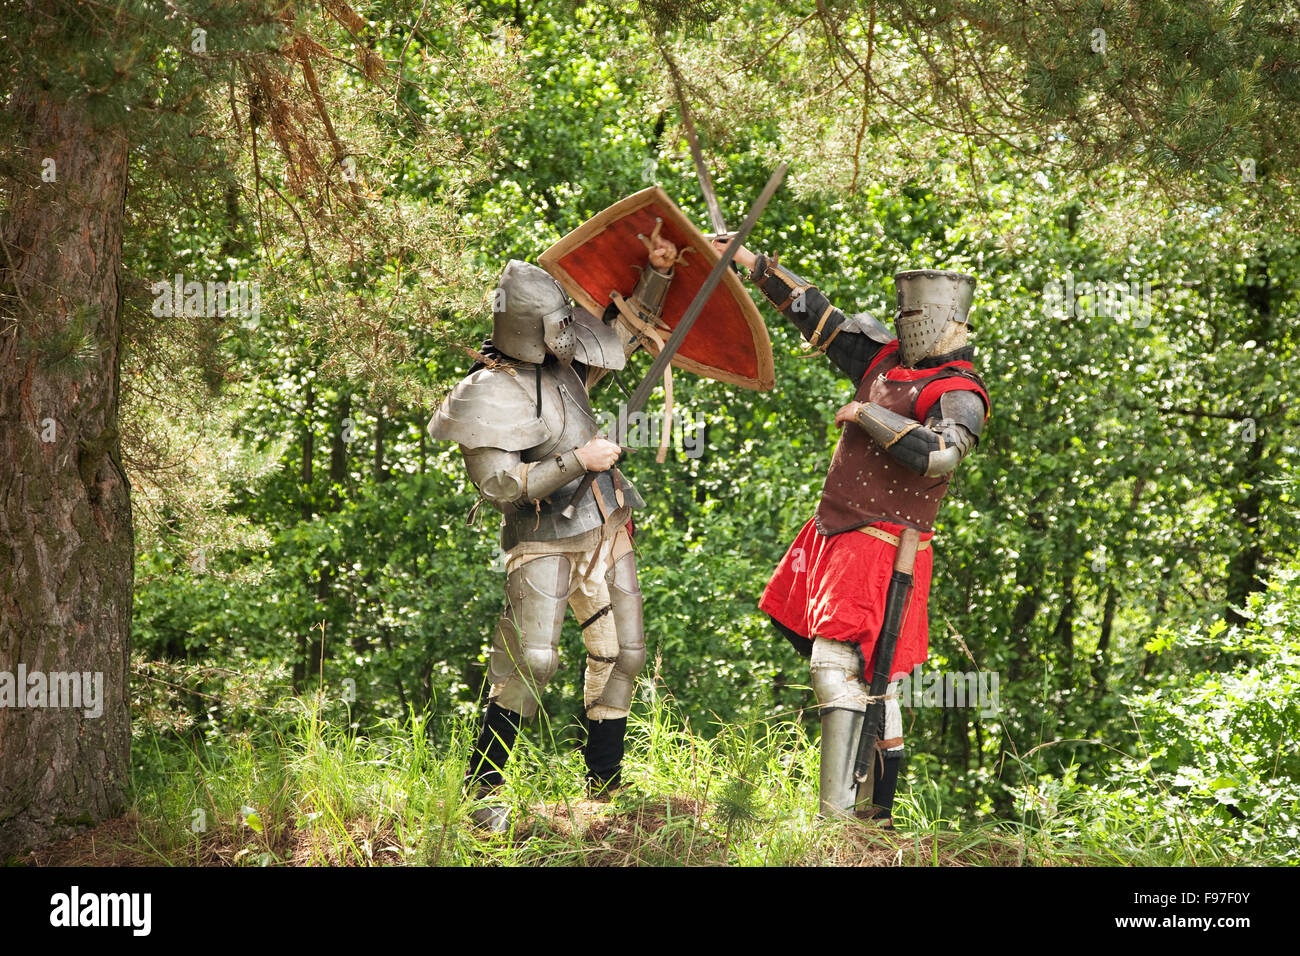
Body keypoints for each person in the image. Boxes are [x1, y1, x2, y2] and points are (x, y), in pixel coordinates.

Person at [714, 238, 991, 825]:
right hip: (835, 533)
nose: (902, 323)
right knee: (866, 678)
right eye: (901, 312)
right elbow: (824, 319)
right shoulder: (885, 360)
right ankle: (870, 820)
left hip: (885, 544)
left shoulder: (959, 391)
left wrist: (867, 414)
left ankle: (840, 824)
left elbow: (942, 455)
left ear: (947, 318)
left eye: (913, 314)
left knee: (840, 668)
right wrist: (755, 266)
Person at [428, 233, 679, 831]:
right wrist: (577, 462)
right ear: (524, 327)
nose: (565, 331)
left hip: (606, 521)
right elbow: (500, 487)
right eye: (552, 324)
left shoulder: (564, 368)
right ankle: (483, 792)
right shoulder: (486, 391)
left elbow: (621, 339)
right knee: (531, 661)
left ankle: (604, 793)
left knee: (623, 654)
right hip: (542, 534)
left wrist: (658, 273)